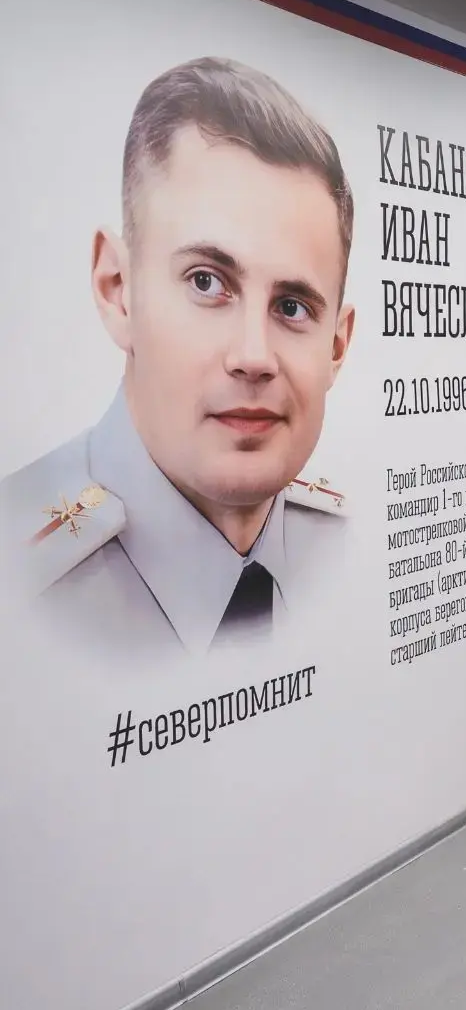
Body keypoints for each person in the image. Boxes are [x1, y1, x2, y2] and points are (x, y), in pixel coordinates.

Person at [1, 58, 358, 656]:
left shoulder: (347, 551)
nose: (253, 357)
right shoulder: (16, 580)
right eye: (205, 282)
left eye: (292, 306)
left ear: (336, 347)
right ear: (118, 290)